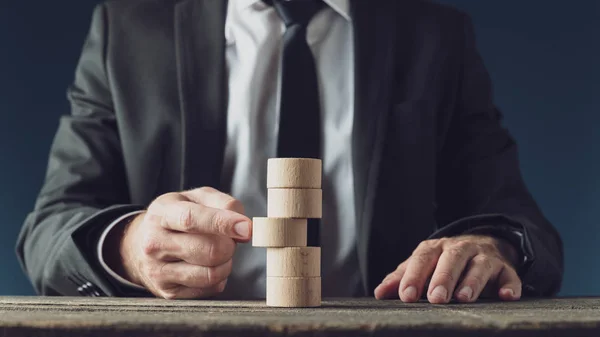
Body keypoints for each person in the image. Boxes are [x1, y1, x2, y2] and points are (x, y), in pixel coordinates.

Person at [16, 0, 563, 304]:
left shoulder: (435, 33)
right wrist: (131, 248)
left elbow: (524, 227)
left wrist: (493, 246)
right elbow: (49, 229)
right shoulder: (129, 27)